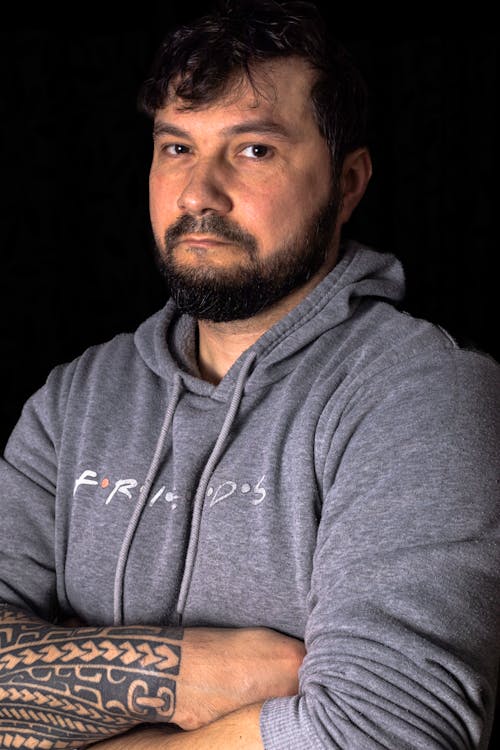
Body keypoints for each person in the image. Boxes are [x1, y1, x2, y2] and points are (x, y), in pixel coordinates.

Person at [0, 1, 499, 748]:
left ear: (349, 182)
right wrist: (203, 670)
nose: (199, 192)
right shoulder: (75, 401)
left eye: (254, 150)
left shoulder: (421, 393)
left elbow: (393, 729)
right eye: (176, 149)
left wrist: (56, 691)